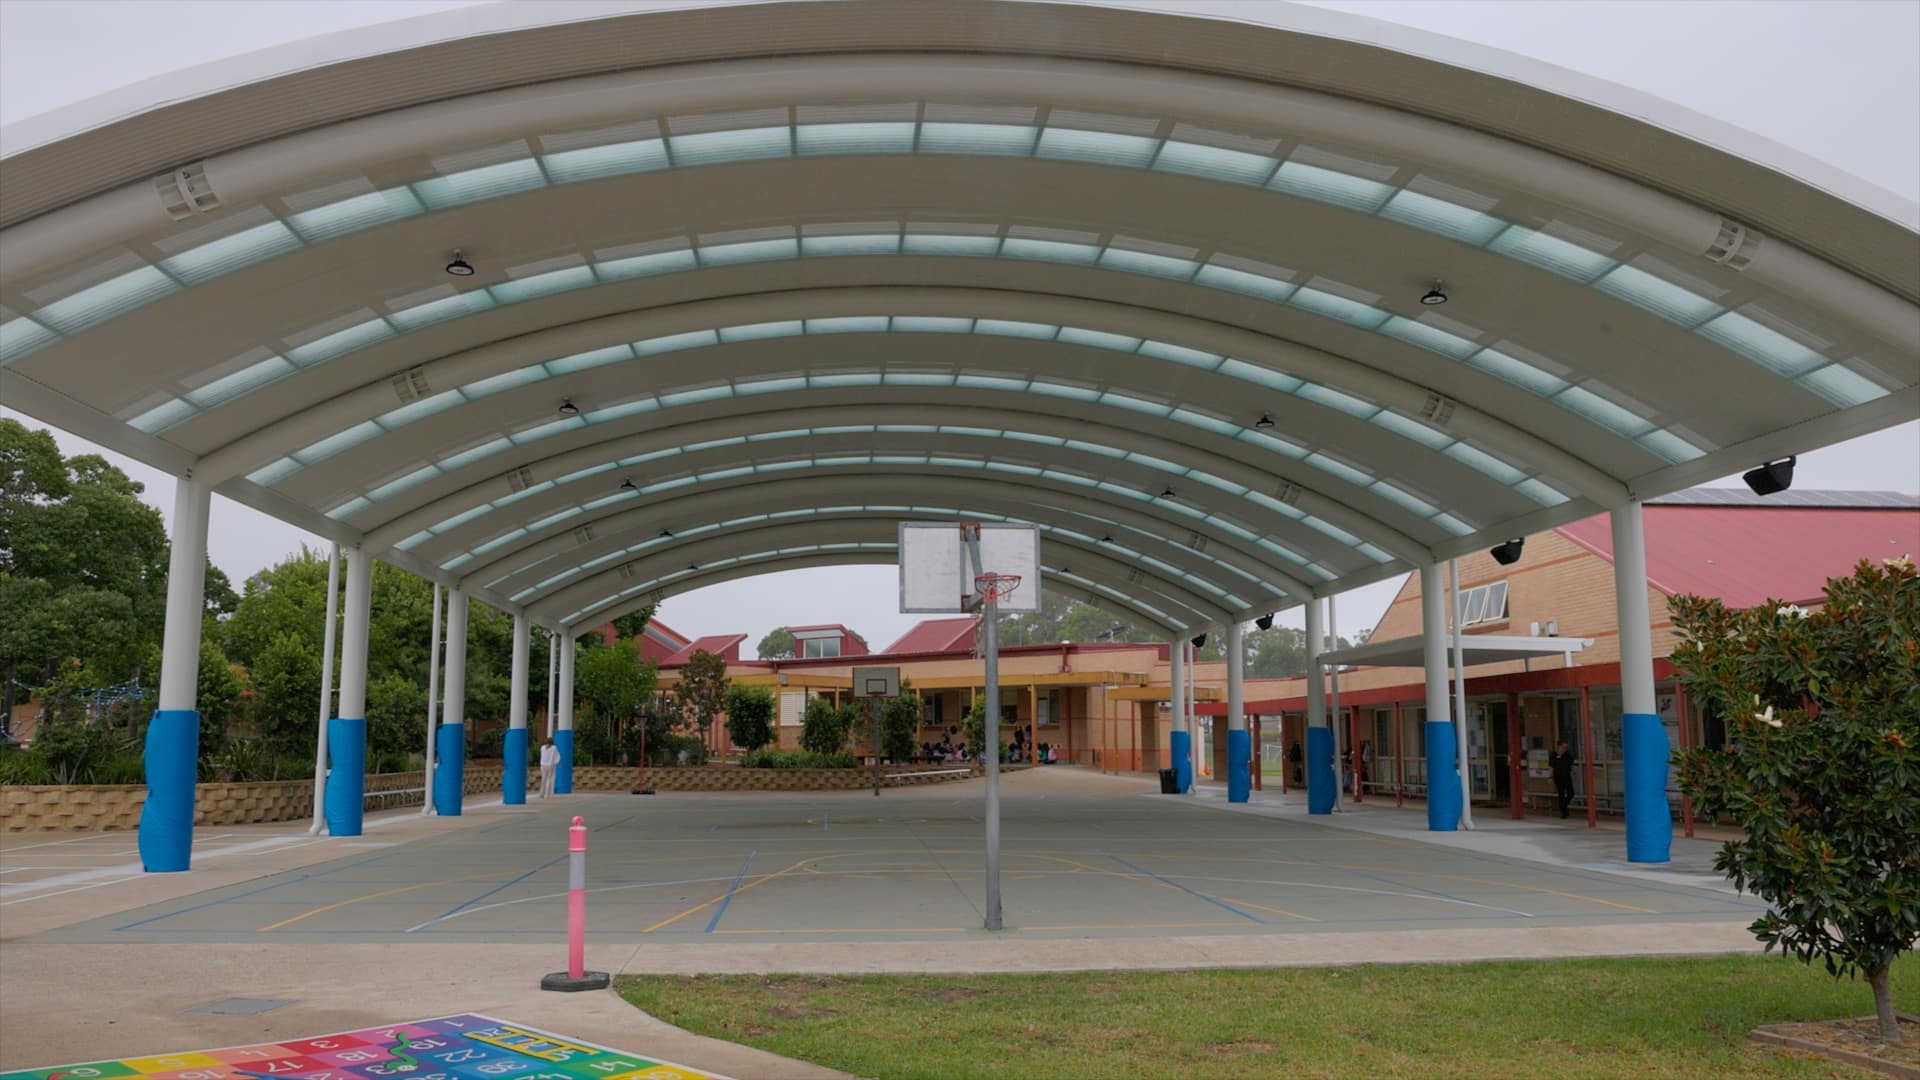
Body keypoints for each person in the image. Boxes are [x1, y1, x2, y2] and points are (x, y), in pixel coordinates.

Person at [1549, 740, 1576, 819]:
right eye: (1563, 747)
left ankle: (1564, 807)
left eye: (1566, 747)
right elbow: (1551, 767)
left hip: (1567, 776)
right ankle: (1563, 813)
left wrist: (1573, 771)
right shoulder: (1553, 755)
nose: (1565, 749)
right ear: (1559, 746)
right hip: (1558, 777)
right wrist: (1550, 777)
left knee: (1571, 793)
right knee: (1561, 794)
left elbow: (1571, 764)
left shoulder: (1567, 755)